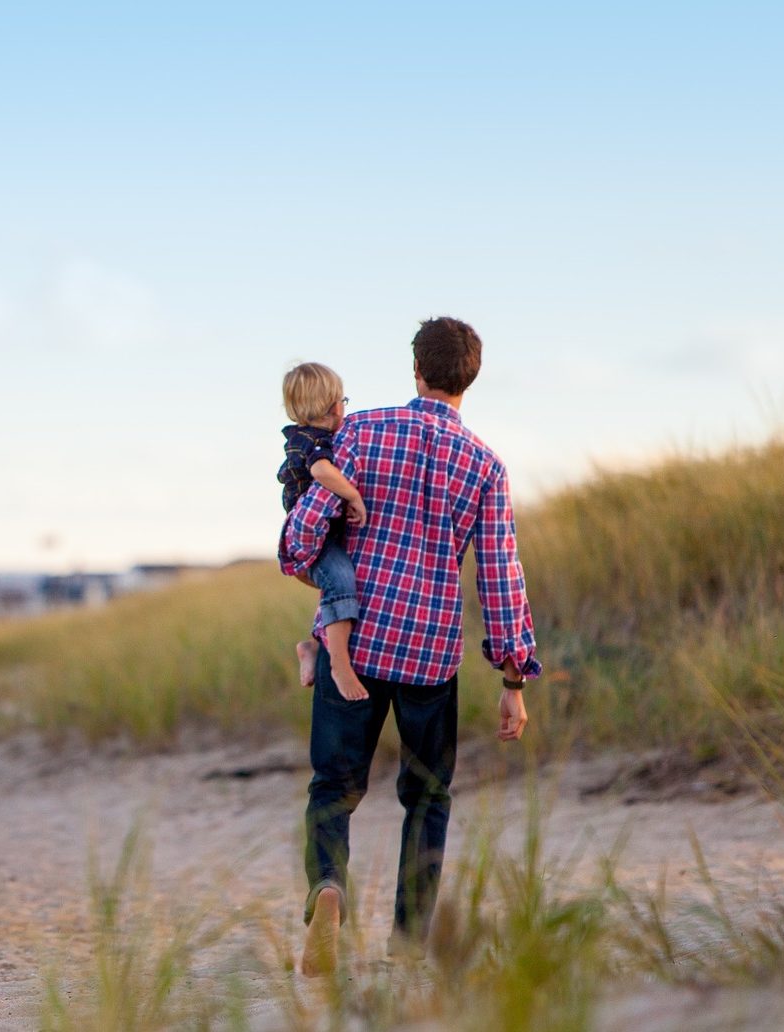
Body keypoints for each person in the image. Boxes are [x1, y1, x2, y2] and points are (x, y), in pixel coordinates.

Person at [278, 316, 540, 976]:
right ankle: (409, 943)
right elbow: (501, 574)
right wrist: (512, 681)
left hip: (357, 643)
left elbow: (307, 525)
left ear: (416, 370)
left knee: (332, 791)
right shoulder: (485, 464)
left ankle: (328, 890)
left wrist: (303, 559)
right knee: (427, 799)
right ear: (469, 378)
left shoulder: (361, 430)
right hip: (430, 654)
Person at [277, 362, 371, 701]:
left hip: (321, 536)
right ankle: (339, 665)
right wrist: (352, 494)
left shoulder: (308, 436)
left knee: (338, 585)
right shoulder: (312, 442)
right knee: (342, 579)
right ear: (334, 405)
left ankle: (313, 647)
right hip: (312, 540)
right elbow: (321, 472)